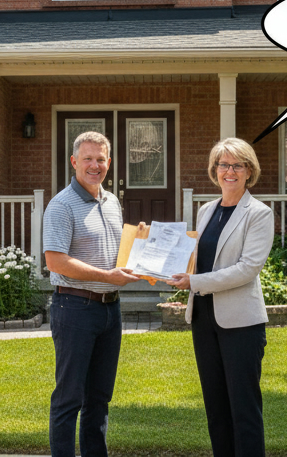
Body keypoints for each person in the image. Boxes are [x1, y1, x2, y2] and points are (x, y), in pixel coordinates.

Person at [167, 137, 274, 457]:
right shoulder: (206, 210)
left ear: (249, 170)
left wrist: (195, 281)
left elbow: (247, 269)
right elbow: (196, 258)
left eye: (237, 165)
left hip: (240, 323)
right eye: (223, 165)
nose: (230, 171)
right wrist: (150, 248)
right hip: (203, 319)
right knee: (215, 408)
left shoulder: (259, 213)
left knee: (244, 410)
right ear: (215, 170)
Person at [42, 131, 142, 457]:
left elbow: (116, 253)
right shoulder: (61, 205)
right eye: (88, 159)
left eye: (100, 159)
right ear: (74, 162)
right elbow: (55, 261)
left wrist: (142, 244)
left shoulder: (112, 202)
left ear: (109, 162)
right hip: (74, 308)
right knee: (69, 397)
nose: (94, 165)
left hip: (110, 310)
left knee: (99, 398)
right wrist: (107, 276)